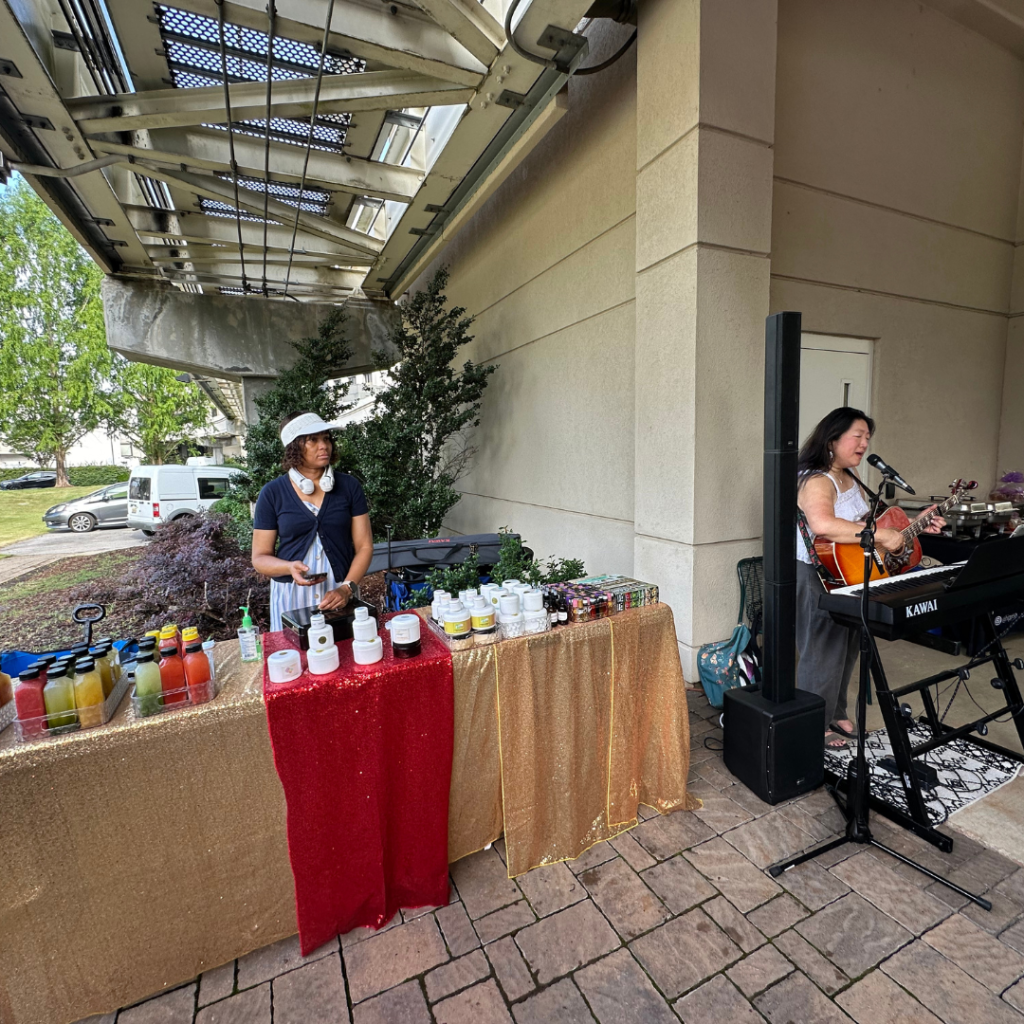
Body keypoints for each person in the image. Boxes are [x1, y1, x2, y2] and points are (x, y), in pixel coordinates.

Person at [796, 407, 944, 749]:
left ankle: (835, 710)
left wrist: (913, 523)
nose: (864, 444)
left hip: (849, 572)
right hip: (818, 572)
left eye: (868, 438)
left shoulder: (850, 476)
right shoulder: (817, 478)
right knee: (822, 649)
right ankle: (811, 725)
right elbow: (824, 525)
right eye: (857, 436)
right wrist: (880, 535)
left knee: (847, 646)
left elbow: (864, 522)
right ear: (832, 439)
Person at [252, 411, 373, 632]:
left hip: (340, 594)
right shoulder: (272, 493)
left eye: (326, 438)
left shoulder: (349, 487)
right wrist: (288, 567)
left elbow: (364, 546)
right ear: (294, 448)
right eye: (313, 440)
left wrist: (346, 589)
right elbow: (259, 558)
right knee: (295, 661)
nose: (323, 446)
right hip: (291, 598)